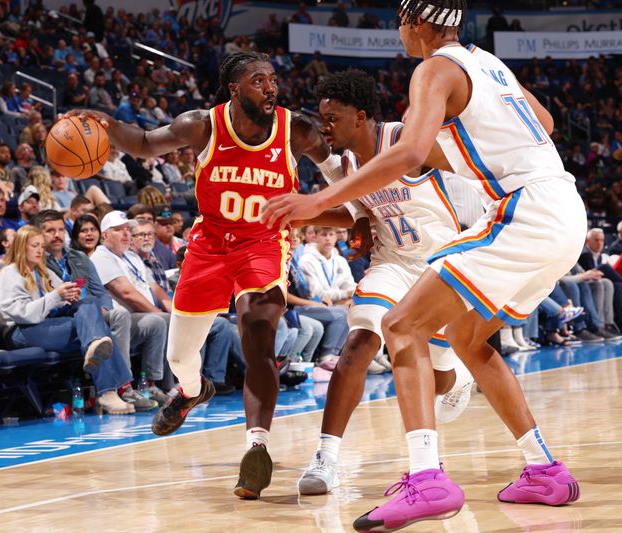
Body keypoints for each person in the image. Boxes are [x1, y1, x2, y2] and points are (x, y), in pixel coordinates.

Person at [262, 3, 585, 529]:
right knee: (468, 339)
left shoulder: (433, 68)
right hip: (564, 208)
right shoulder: (489, 62)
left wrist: (318, 203)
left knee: (400, 325)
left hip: (522, 209)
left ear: (419, 23)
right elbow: (543, 123)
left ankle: (427, 479)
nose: (399, 32)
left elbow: (410, 151)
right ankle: (543, 468)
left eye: (401, 22)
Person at [73, 51, 335, 499]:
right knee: (179, 359)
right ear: (235, 89)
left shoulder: (297, 129)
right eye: (258, 81)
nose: (270, 88)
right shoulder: (203, 125)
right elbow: (142, 143)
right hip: (209, 247)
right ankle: (192, 392)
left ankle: (257, 448)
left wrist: (364, 210)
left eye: (273, 80)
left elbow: (334, 169)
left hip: (263, 244)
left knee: (257, 331)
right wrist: (106, 126)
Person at [282, 69, 473, 496]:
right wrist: (302, 214)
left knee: (437, 376)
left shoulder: (408, 140)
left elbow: (471, 167)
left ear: (361, 116)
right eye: (322, 117)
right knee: (360, 340)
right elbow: (349, 211)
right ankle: (326, 456)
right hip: (391, 262)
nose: (325, 126)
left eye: (333, 118)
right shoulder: (347, 163)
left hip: (439, 265)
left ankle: (457, 378)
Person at [0, 225, 135, 414]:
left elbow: (60, 298)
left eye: (42, 246)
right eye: (34, 245)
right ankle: (115, 391)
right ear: (20, 247)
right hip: (21, 331)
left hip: (48, 323)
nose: (40, 250)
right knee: (98, 331)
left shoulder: (42, 272)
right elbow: (23, 314)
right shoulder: (10, 273)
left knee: (89, 302)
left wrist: (70, 296)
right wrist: (57, 296)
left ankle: (105, 377)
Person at [36, 210, 155, 411]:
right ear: (38, 234)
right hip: (62, 315)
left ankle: (134, 387)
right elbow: (1, 266)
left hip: (91, 313)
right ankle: (117, 389)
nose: (57, 235)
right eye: (50, 231)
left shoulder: (79, 257)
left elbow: (101, 292)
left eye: (59, 230)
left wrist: (105, 309)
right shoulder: (35, 258)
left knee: (114, 315)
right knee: (96, 324)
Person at [90, 211, 171, 404]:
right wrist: (158, 311)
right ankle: (124, 386)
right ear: (105, 235)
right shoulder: (101, 256)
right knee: (156, 319)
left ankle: (151, 384)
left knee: (160, 322)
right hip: (112, 321)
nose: (126, 234)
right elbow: (126, 293)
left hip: (136, 317)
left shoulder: (131, 257)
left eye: (128, 229)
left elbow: (152, 288)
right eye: (119, 230)